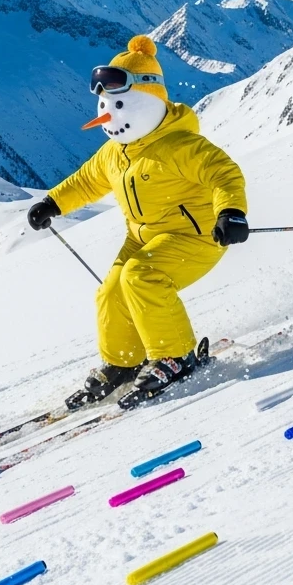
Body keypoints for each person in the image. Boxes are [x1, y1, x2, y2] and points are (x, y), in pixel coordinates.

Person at [27, 35, 249, 409]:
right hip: (142, 238)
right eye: (103, 105)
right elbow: (86, 181)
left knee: (141, 278)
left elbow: (224, 175)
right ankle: (123, 361)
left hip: (196, 237)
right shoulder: (115, 153)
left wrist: (231, 212)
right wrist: (53, 202)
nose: (107, 115)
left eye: (118, 105)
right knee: (112, 291)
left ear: (150, 101)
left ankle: (174, 356)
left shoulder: (180, 146)